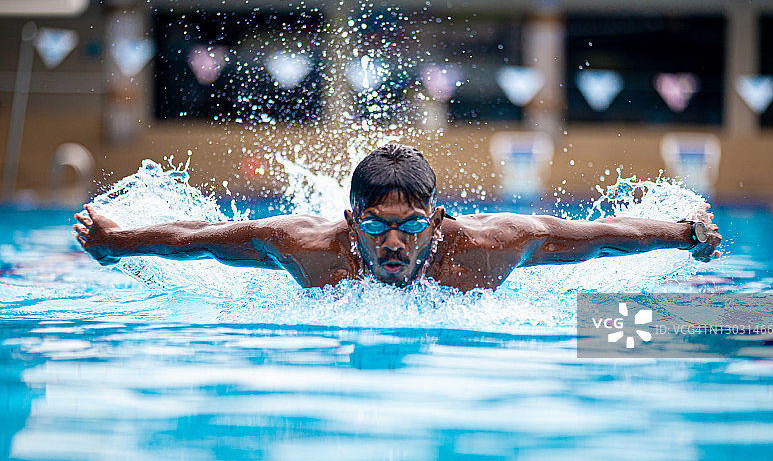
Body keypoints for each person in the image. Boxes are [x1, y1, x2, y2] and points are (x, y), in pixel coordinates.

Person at [74, 143, 721, 292]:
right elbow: (197, 239)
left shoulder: (492, 246)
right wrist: (115, 242)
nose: (392, 243)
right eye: (376, 226)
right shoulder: (304, 245)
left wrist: (685, 233)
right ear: (349, 221)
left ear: (435, 222)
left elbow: (608, 238)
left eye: (410, 228)